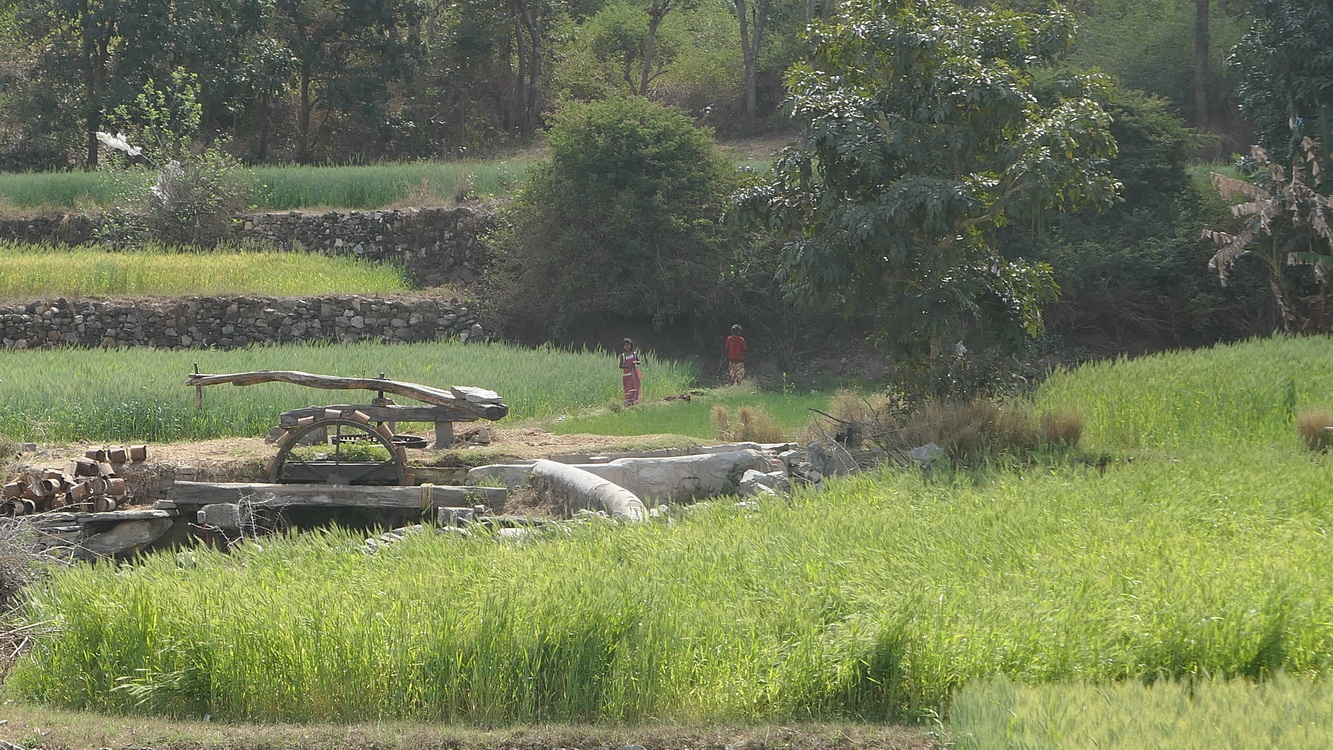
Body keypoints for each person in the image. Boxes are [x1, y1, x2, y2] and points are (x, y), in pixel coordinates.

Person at [619, 337, 643, 406]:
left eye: (628, 345)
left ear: (631, 345)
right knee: (628, 387)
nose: (627, 347)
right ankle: (628, 401)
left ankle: (634, 401)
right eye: (625, 345)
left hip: (634, 373)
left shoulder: (634, 354)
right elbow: (620, 366)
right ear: (623, 347)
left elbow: (638, 361)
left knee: (635, 386)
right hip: (627, 374)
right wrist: (628, 366)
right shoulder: (623, 356)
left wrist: (635, 362)